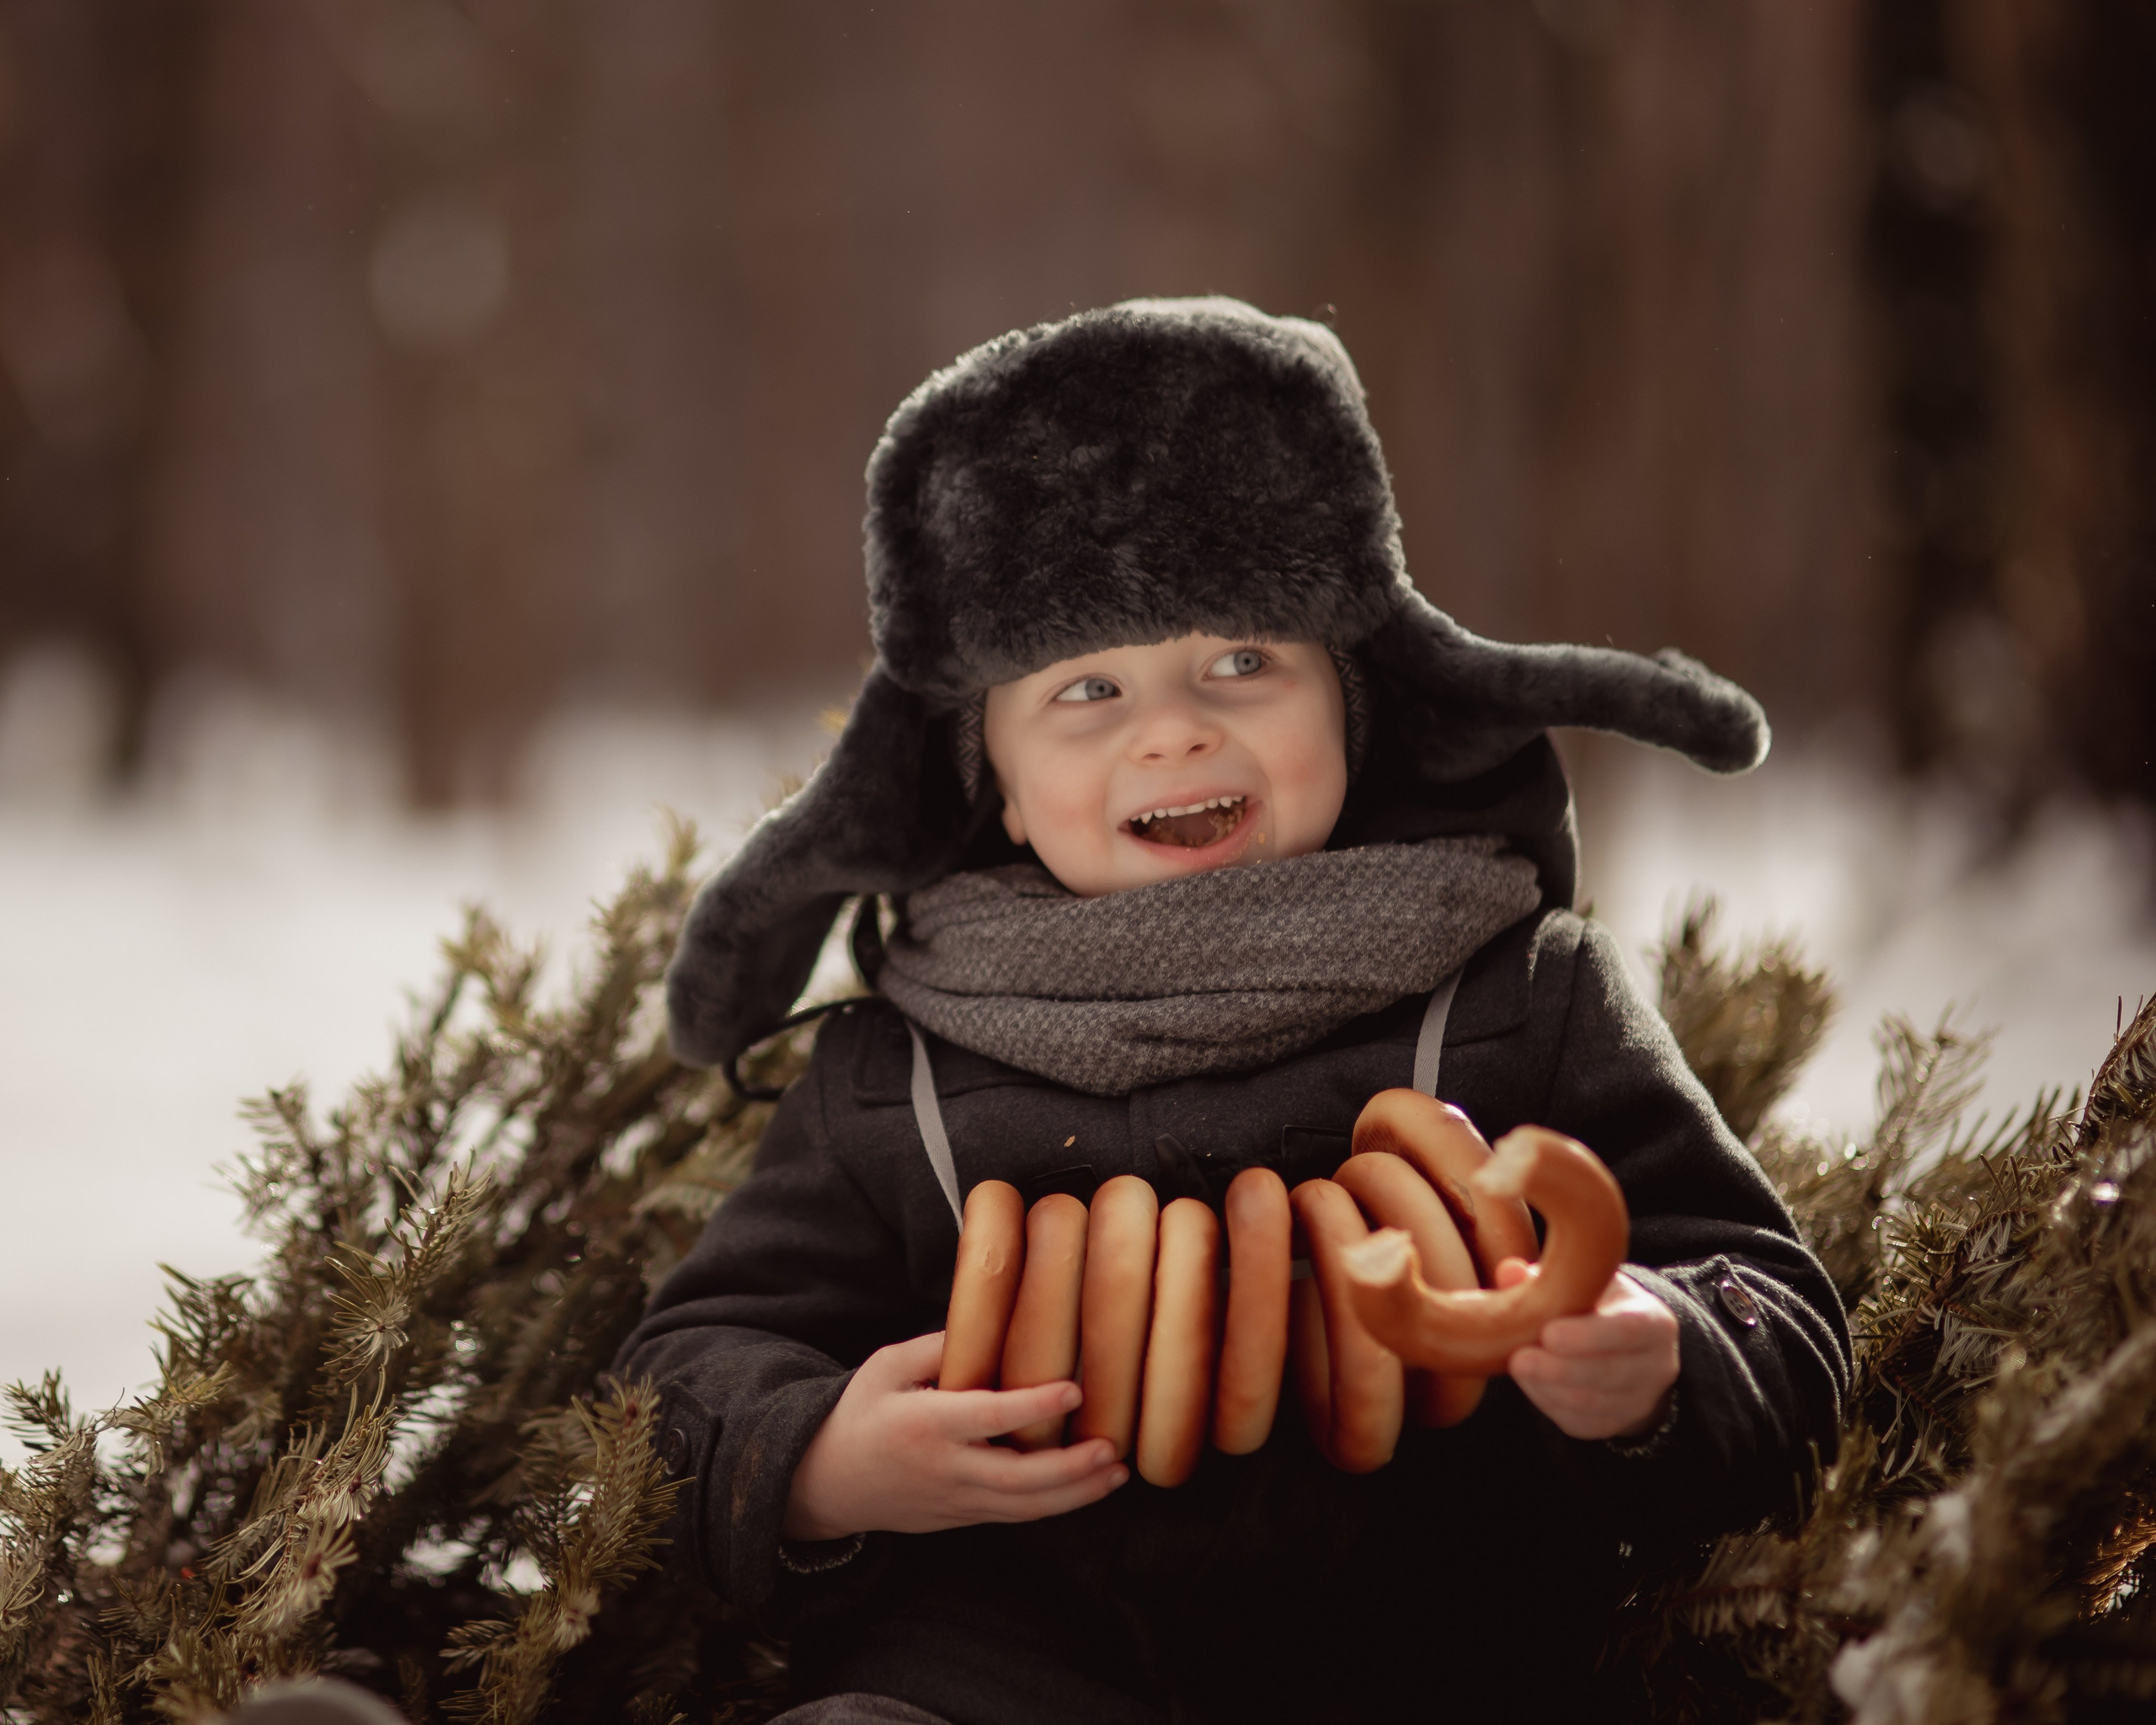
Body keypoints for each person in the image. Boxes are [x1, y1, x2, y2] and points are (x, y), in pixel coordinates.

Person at [619, 297, 1850, 1725]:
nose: (1175, 728)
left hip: (1449, 1658)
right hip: (994, 1671)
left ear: (1359, 696)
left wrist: (1658, 1353)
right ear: (992, 786)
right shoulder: (891, 1081)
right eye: (1088, 687)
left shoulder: (1522, 997)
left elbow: (1769, 1297)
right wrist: (823, 1461)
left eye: (1245, 660)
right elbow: (684, 1369)